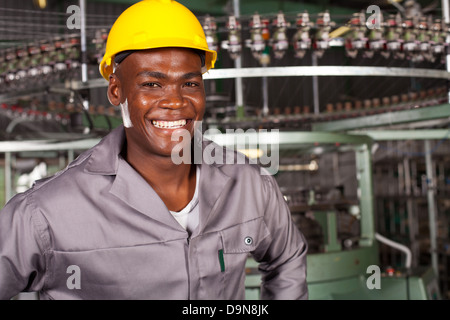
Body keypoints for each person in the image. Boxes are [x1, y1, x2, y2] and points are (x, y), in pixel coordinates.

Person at [0, 0, 308, 300]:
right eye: (152, 84)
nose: (175, 102)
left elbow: (287, 258)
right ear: (116, 90)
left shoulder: (249, 183)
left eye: (190, 84)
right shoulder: (43, 213)